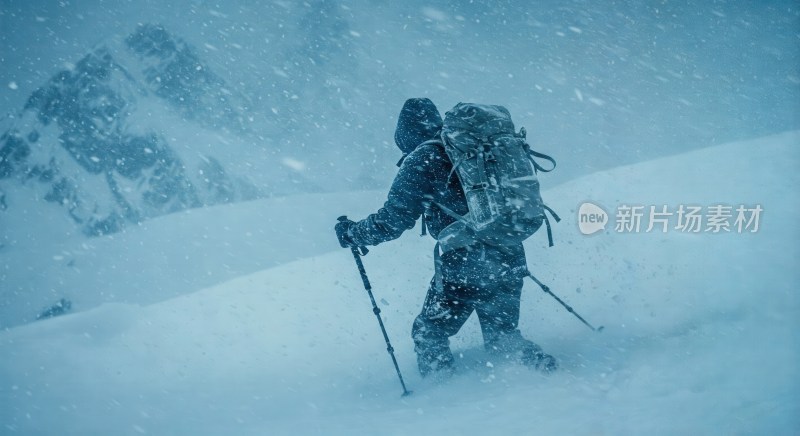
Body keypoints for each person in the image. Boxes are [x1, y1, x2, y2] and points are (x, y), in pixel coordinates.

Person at [335, 98, 557, 378]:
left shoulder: (422, 159)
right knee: (503, 337)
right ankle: (544, 373)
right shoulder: (467, 149)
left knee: (429, 333)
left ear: (404, 136)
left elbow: (393, 221)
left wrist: (353, 234)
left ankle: (441, 395)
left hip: (465, 265)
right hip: (509, 250)